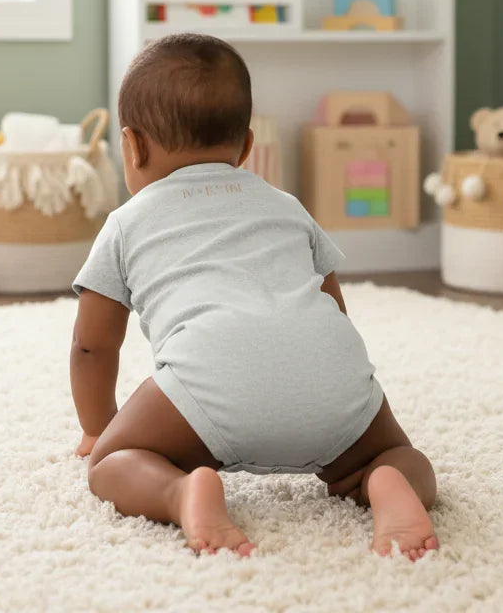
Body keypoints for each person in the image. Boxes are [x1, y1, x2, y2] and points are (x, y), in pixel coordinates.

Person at [70, 34, 437, 559]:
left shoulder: (126, 223)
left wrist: (96, 429)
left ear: (132, 146)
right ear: (245, 146)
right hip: (331, 380)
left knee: (112, 463)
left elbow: (92, 346)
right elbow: (333, 308)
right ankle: (387, 484)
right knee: (401, 455)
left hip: (209, 384)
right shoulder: (287, 206)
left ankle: (180, 491)